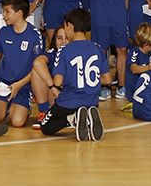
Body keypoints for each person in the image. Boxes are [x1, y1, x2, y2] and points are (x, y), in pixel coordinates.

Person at [0, 0, 52, 129]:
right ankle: (4, 107)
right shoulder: (4, 32)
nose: (4, 15)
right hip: (4, 85)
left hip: (23, 86)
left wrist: (19, 85)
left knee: (17, 122)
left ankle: (22, 108)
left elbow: (37, 69)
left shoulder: (34, 35)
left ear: (20, 13)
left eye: (7, 11)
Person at [41, 8, 107, 140]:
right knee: (86, 104)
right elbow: (107, 79)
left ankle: (72, 118)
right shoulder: (98, 48)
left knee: (46, 127)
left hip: (69, 102)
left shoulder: (64, 50)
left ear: (69, 26)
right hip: (91, 101)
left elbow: (58, 81)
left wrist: (72, 78)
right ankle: (86, 116)